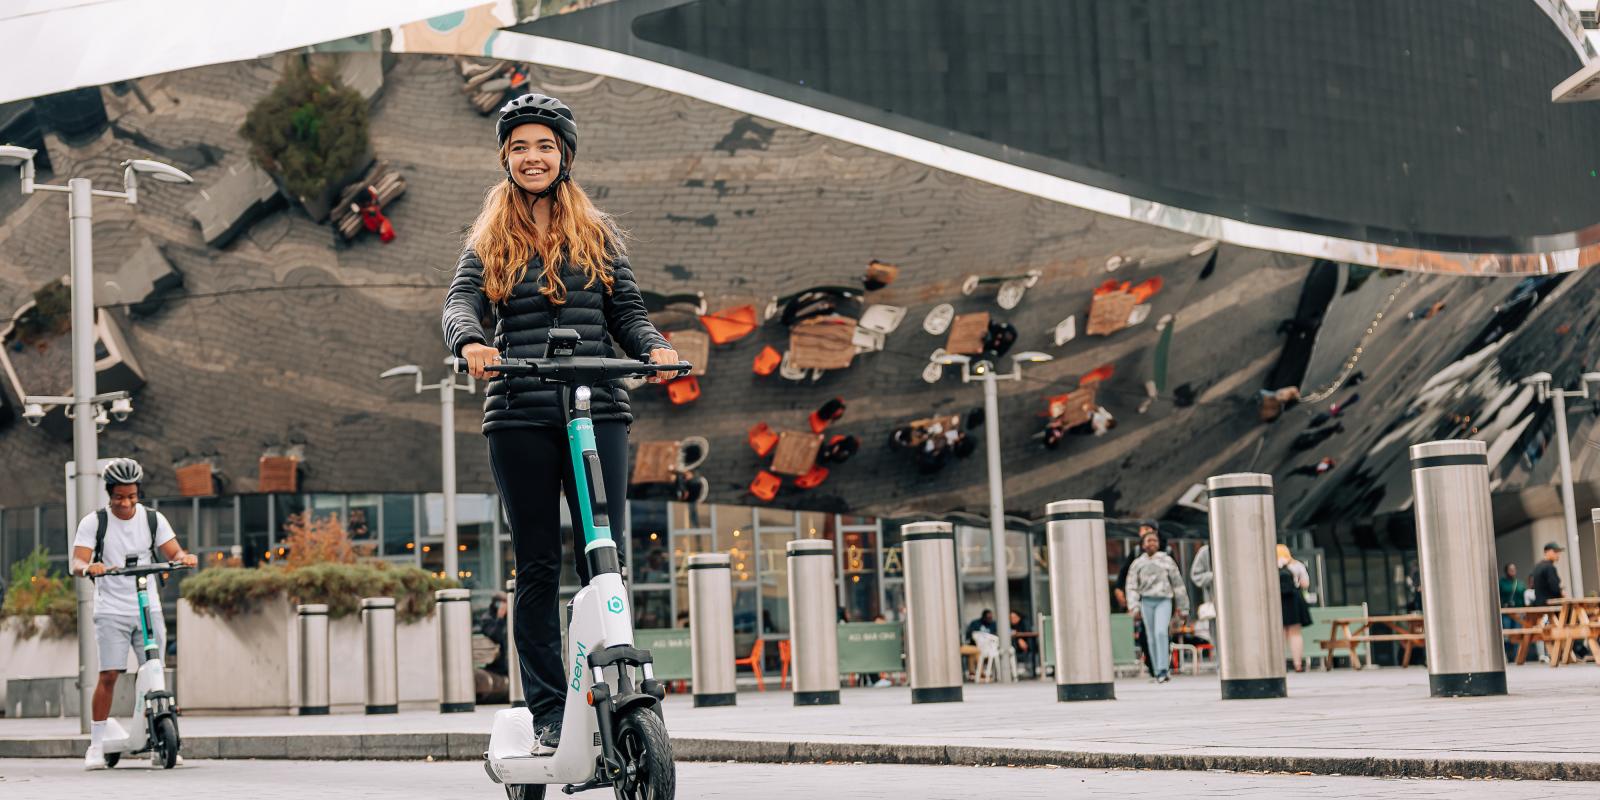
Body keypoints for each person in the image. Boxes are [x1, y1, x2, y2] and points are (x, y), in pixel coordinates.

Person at [442, 93, 677, 756]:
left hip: (597, 405)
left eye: (543, 145)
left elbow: (628, 312)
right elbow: (460, 303)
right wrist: (471, 344)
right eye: (519, 147)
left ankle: (618, 683)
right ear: (506, 159)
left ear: (564, 154)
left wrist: (653, 347)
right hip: (519, 411)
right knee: (539, 564)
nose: (532, 156)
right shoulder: (489, 239)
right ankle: (549, 711)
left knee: (604, 555)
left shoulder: (597, 236)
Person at [68, 458, 199, 770]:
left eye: (131, 496)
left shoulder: (153, 520)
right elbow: (77, 562)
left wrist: (183, 558)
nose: (126, 502)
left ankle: (159, 741)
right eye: (119, 496)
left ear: (138, 493)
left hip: (147, 606)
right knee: (110, 675)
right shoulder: (94, 523)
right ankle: (97, 745)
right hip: (111, 609)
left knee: (154, 673)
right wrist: (90, 567)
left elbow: (173, 551)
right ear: (109, 493)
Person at [1125, 528, 1189, 683]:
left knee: (1161, 632)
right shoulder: (1137, 563)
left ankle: (1163, 669)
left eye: (1155, 540)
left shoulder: (1166, 560)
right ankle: (1156, 670)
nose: (1152, 543)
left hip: (1163, 600)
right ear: (1143, 544)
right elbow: (1131, 585)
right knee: (1151, 636)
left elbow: (1178, 584)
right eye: (1149, 541)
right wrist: (1134, 606)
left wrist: (1183, 606)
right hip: (1146, 601)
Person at [1277, 544, 1314, 672]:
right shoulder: (1297, 565)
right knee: (1295, 633)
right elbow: (1305, 584)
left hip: (1277, 601)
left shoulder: (1270, 565)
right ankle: (1297, 664)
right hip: (1293, 600)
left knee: (1279, 634)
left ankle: (1279, 664)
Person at [1499, 564, 1526, 662]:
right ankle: (1505, 656)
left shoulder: (1519, 583)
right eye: (1510, 569)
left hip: (1518, 613)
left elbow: (1524, 597)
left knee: (1517, 634)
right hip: (1506, 612)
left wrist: (1524, 612)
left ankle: (1517, 656)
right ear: (1506, 571)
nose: (1512, 571)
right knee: (1506, 635)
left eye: (1514, 569)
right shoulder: (1501, 583)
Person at [1189, 543, 1214, 642]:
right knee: (1216, 632)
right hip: (1214, 602)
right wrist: (1213, 575)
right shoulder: (1205, 551)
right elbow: (1195, 575)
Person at [1530, 542, 1566, 606]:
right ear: (1547, 552)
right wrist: (1561, 593)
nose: (1558, 554)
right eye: (1555, 551)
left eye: (1558, 552)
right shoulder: (1549, 567)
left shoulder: (1537, 566)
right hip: (1550, 605)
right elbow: (1555, 589)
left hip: (1540, 604)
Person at [1008, 610, 1038, 677]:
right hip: (1018, 647)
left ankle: (1031, 671)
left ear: (1018, 616)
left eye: (1014, 617)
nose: (1012, 619)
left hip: (1028, 645)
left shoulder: (1024, 622)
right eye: (1011, 618)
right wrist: (1019, 639)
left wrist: (1020, 639)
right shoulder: (1012, 625)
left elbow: (1027, 633)